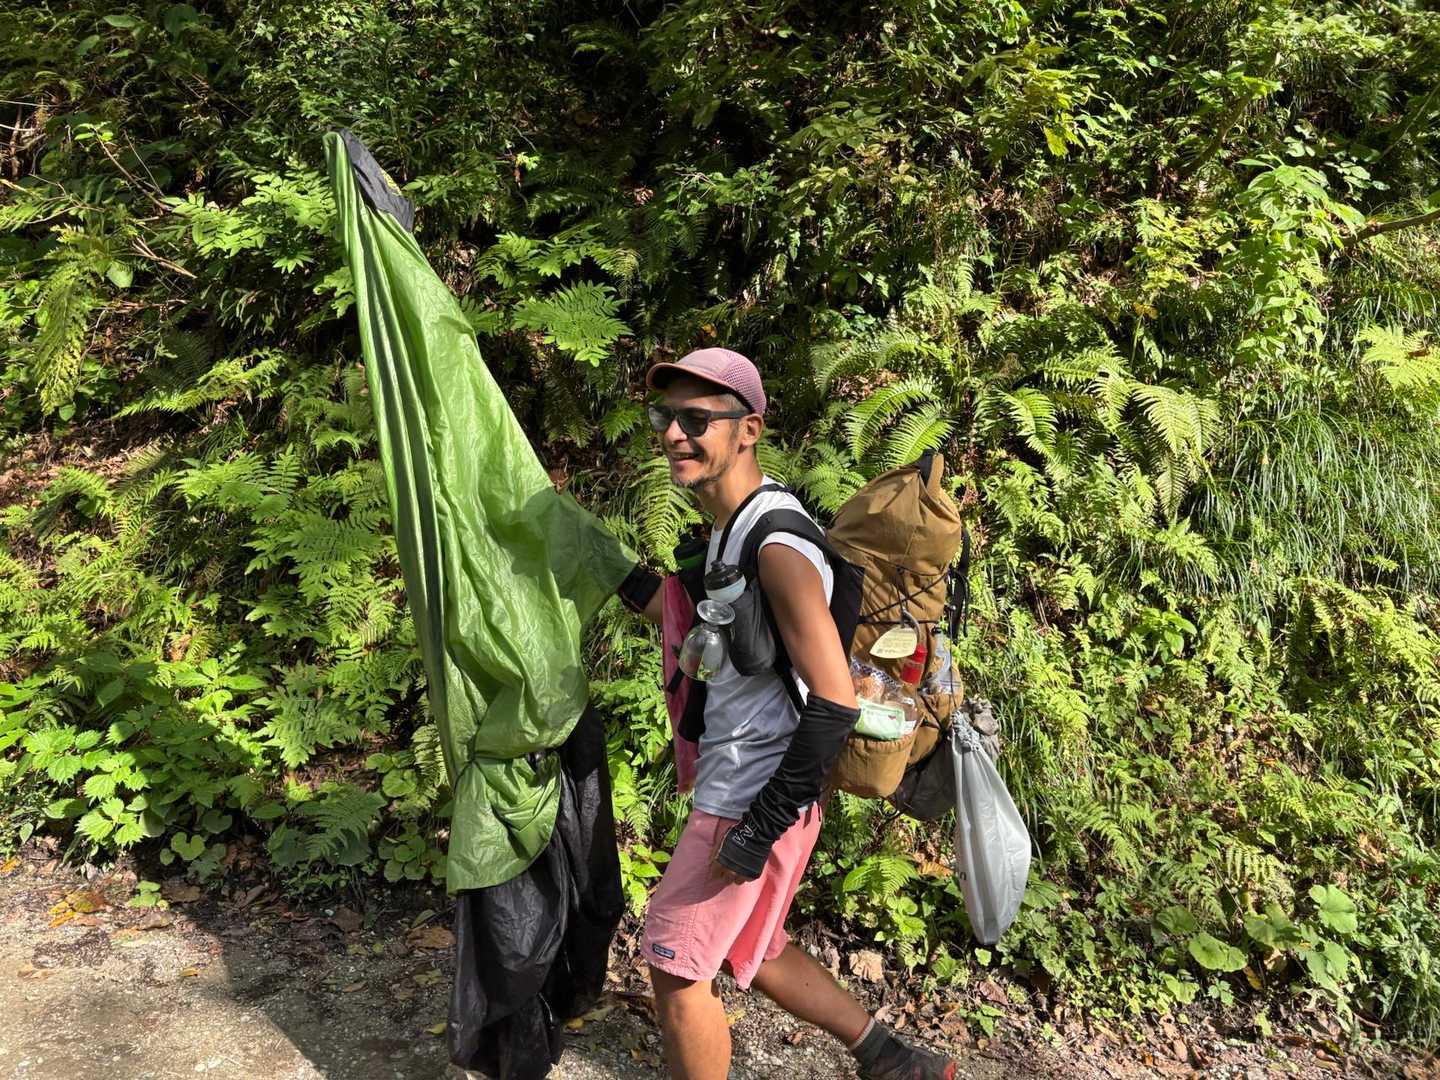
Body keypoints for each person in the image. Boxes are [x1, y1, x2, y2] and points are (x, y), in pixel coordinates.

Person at [615, 348, 957, 1080]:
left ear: (749, 429)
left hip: (753, 792)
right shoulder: (730, 526)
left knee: (675, 967)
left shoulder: (775, 545)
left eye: (696, 419)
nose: (673, 433)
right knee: (756, 946)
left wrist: (758, 828)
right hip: (756, 785)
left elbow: (833, 701)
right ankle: (894, 1060)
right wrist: (590, 560)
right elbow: (708, 626)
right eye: (665, 416)